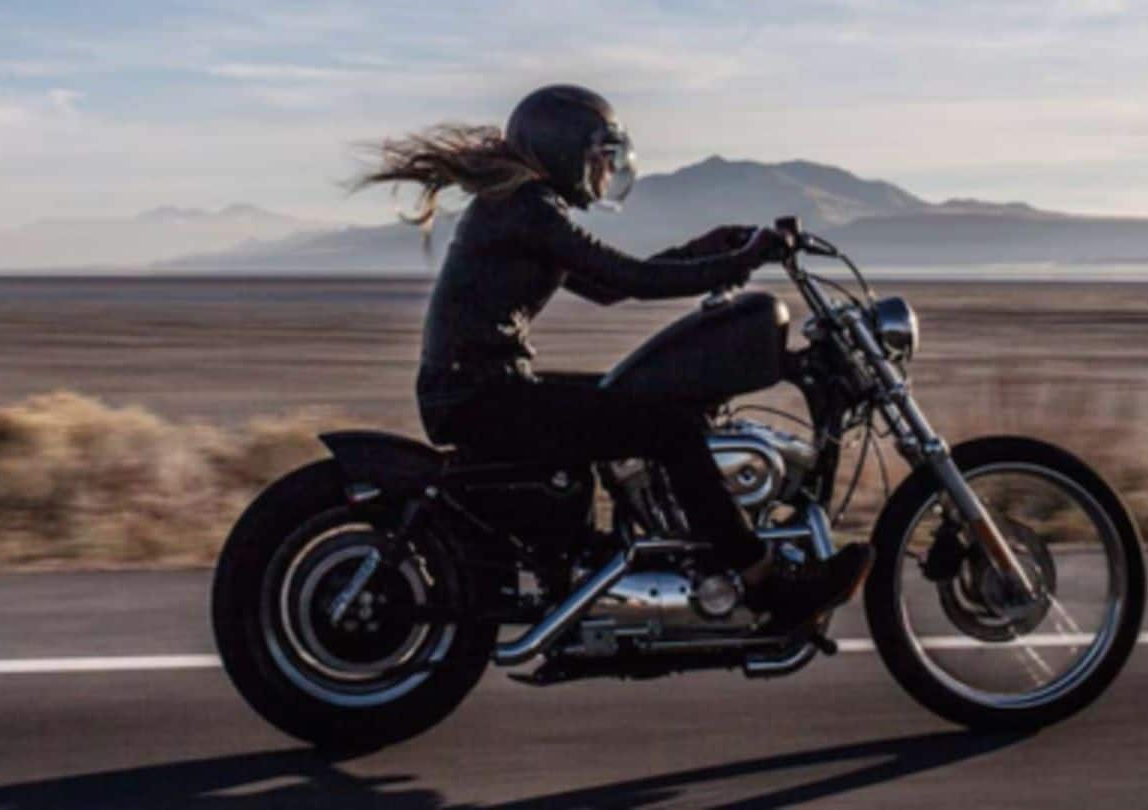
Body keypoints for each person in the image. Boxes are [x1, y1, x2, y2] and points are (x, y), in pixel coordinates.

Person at [350, 84, 872, 631]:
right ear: (564, 149)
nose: (604, 172)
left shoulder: (523, 208)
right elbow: (632, 279)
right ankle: (764, 581)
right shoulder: (526, 209)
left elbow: (608, 287)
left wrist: (709, 249)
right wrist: (739, 263)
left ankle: (643, 549)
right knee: (668, 428)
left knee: (635, 402)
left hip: (483, 388)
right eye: (599, 158)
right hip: (483, 395)